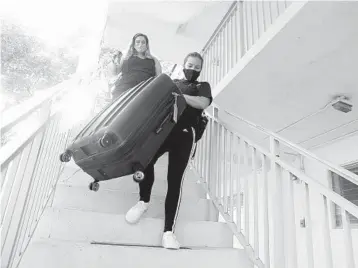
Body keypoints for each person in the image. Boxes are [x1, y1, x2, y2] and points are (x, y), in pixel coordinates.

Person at [125, 52, 213, 249]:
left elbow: (203, 103)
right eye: (190, 65)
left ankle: (168, 232)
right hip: (164, 130)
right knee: (144, 161)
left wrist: (181, 96)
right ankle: (143, 201)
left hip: (185, 135)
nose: (193, 69)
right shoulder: (173, 82)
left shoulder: (202, 86)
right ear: (183, 65)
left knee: (175, 182)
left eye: (197, 67)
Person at [108, 33, 162, 99]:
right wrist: (114, 62)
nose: (140, 45)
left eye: (143, 42)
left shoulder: (154, 60)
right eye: (137, 42)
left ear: (146, 45)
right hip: (122, 90)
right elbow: (115, 73)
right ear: (133, 44)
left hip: (143, 92)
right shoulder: (126, 57)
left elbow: (159, 79)